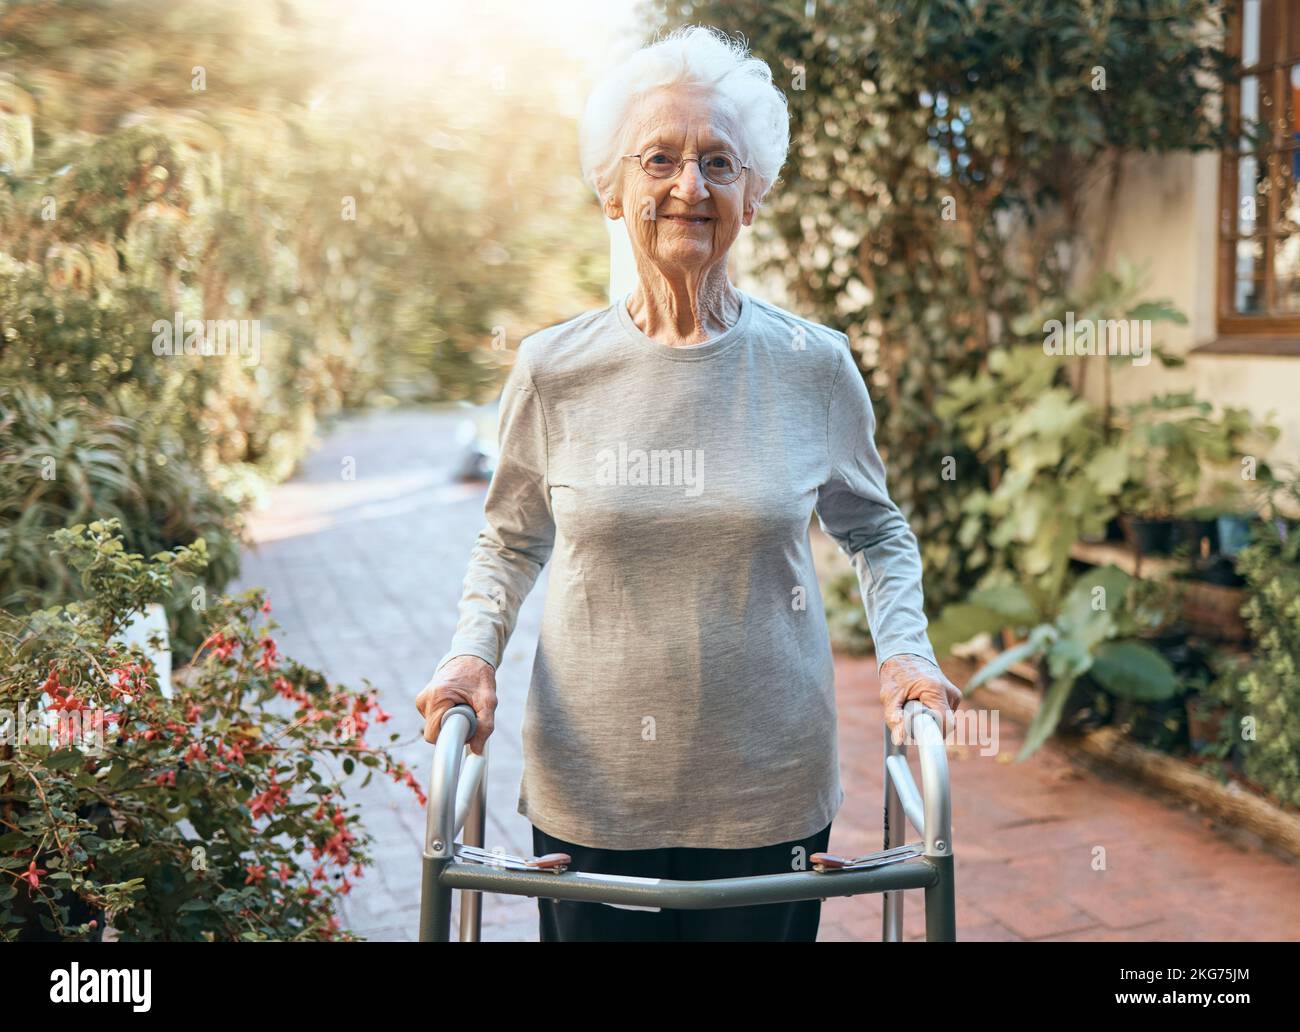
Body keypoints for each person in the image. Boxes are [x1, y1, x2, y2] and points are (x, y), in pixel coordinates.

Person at [417, 24, 962, 942]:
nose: (688, 186)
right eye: (659, 159)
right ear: (612, 189)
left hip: (769, 791)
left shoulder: (812, 365)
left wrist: (907, 652)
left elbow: (874, 531)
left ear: (753, 196)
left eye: (718, 162)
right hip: (594, 791)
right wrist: (472, 651)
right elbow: (510, 537)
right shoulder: (554, 368)